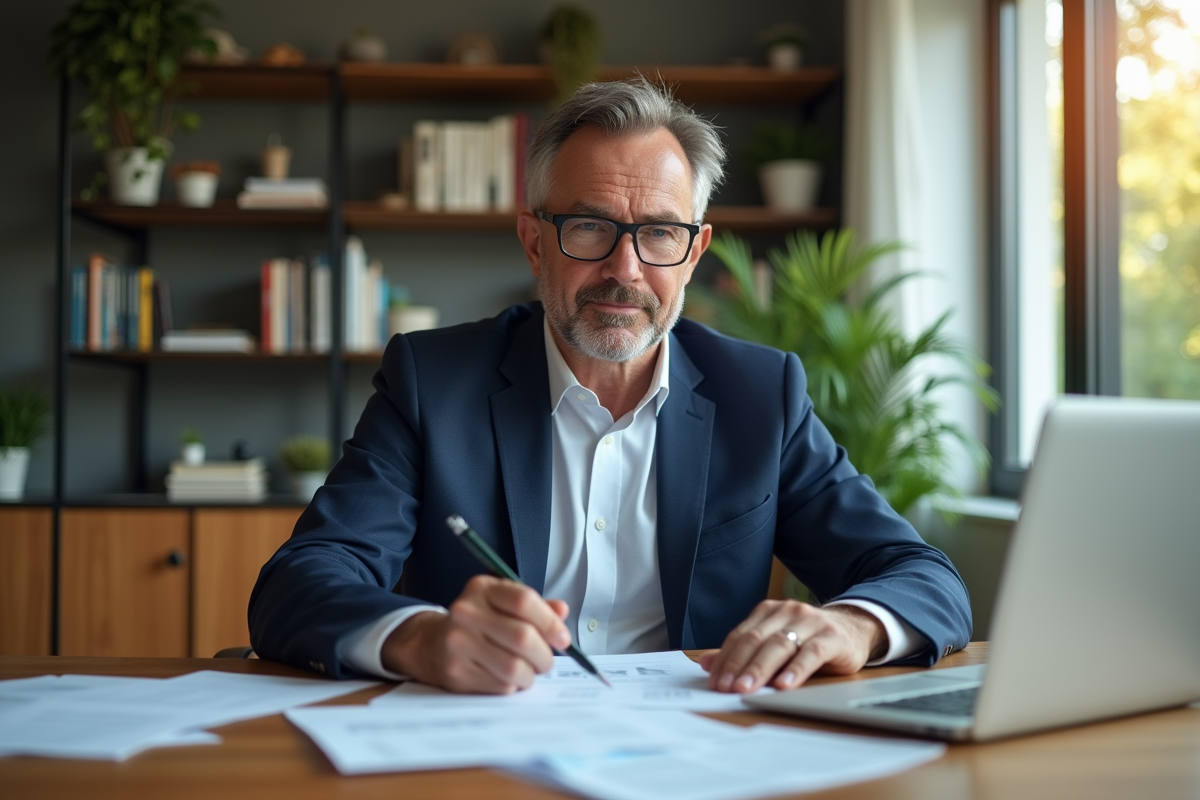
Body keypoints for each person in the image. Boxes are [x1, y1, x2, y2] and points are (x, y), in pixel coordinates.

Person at [249, 79, 971, 695]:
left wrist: (851, 624)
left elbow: (921, 576)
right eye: (591, 227)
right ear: (535, 241)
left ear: (694, 254)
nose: (626, 269)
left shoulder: (761, 395)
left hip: (700, 758)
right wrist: (418, 638)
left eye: (660, 233)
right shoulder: (433, 382)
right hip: (485, 751)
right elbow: (300, 581)